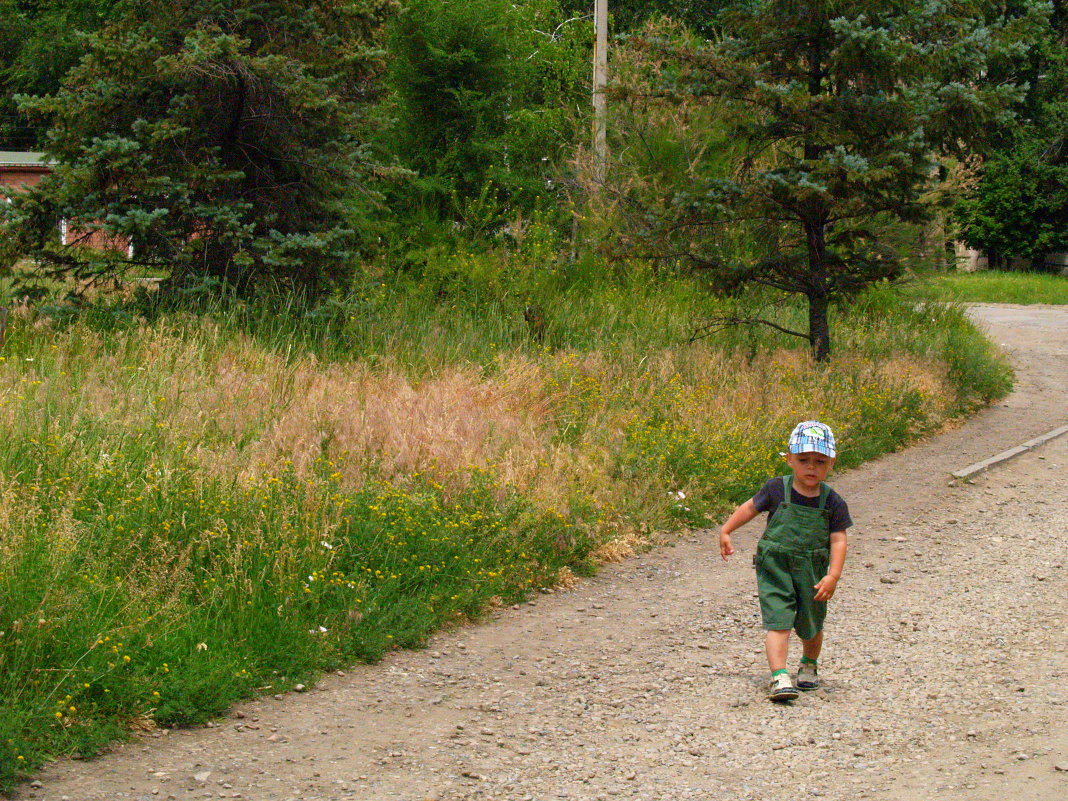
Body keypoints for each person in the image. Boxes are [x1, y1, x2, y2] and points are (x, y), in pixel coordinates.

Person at [718, 421, 852, 701]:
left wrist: (834, 575)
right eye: (803, 460)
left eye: (820, 461)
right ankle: (779, 676)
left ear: (831, 462)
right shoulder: (777, 489)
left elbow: (838, 539)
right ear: (790, 458)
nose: (811, 467)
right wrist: (727, 530)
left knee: (811, 625)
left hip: (812, 572)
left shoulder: (833, 501)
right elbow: (749, 508)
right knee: (778, 620)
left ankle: (808, 664)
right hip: (776, 567)